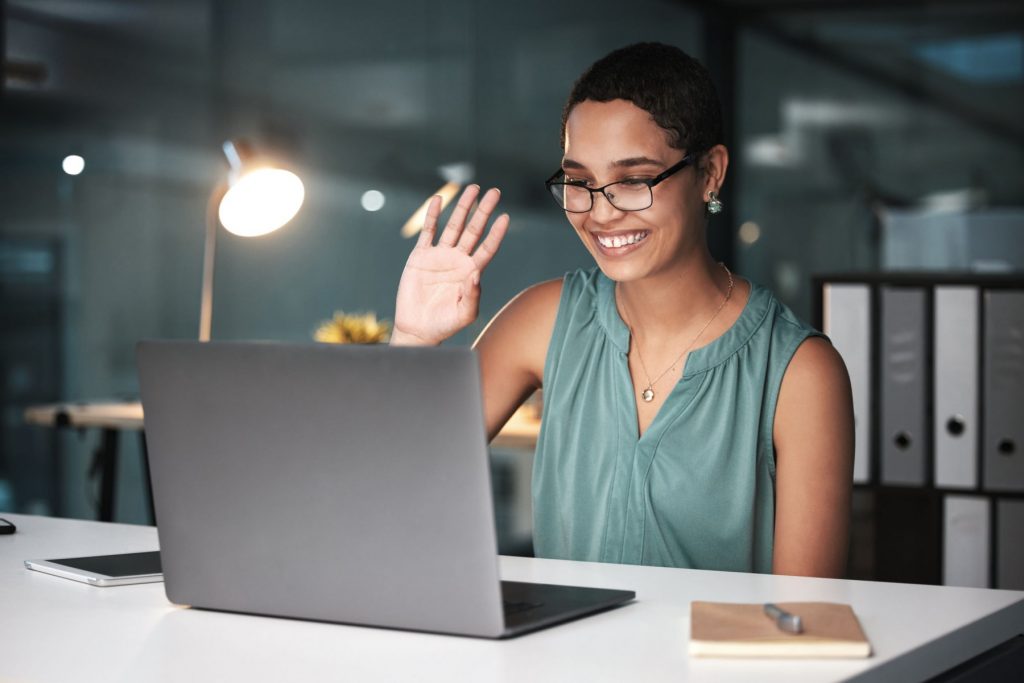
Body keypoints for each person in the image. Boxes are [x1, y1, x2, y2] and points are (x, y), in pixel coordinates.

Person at [390, 42, 854, 578]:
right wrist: (413, 339)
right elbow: (398, 483)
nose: (601, 212)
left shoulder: (799, 372)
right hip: (558, 660)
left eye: (633, 180)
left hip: (716, 664)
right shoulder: (541, 321)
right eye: (580, 182)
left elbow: (807, 620)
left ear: (710, 173)